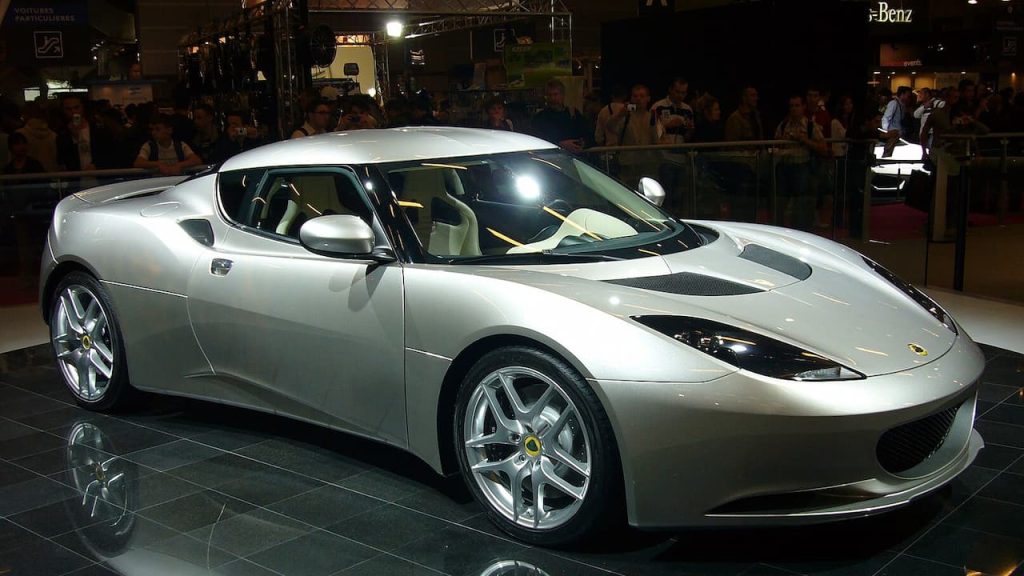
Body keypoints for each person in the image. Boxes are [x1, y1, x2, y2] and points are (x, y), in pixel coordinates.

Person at [774, 95, 826, 231]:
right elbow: (775, 144)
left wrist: (804, 140)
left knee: (802, 206)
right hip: (784, 168)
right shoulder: (783, 125)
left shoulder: (810, 126)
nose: (794, 109)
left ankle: (801, 232)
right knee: (780, 204)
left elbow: (823, 148)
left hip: (802, 167)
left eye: (797, 105)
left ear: (803, 107)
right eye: (791, 106)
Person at [605, 84, 663, 189]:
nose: (638, 99)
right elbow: (609, 127)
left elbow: (658, 139)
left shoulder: (652, 117)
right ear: (631, 98)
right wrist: (618, 115)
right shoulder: (625, 116)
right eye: (635, 96)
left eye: (641, 96)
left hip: (649, 164)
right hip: (628, 165)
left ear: (648, 98)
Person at [56, 95, 117, 171]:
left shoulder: (97, 128)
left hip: (98, 173)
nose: (73, 112)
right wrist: (74, 136)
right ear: (64, 111)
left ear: (82, 108)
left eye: (76, 107)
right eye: (68, 109)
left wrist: (97, 165)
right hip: (76, 176)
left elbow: (109, 153)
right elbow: (63, 158)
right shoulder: (63, 133)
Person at [531, 79, 591, 153]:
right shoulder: (540, 118)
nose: (553, 98)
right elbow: (537, 141)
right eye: (549, 95)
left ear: (562, 95)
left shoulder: (573, 114)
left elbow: (588, 135)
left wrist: (583, 143)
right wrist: (560, 145)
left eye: (555, 94)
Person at [133, 114, 202, 176]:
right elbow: (138, 162)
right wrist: (158, 164)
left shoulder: (180, 145)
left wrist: (179, 165)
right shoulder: (149, 146)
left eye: (157, 129)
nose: (153, 133)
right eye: (152, 129)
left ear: (169, 130)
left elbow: (196, 160)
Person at [15, 102, 58, 172]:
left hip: (26, 176)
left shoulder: (19, 135)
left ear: (25, 114)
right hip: (50, 176)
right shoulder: (54, 135)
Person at [651, 78, 695, 145]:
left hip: (681, 150)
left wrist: (690, 130)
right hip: (662, 151)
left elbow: (687, 138)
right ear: (670, 90)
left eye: (683, 93)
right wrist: (667, 125)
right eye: (677, 92)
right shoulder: (657, 106)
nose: (680, 95)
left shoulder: (688, 110)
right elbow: (651, 131)